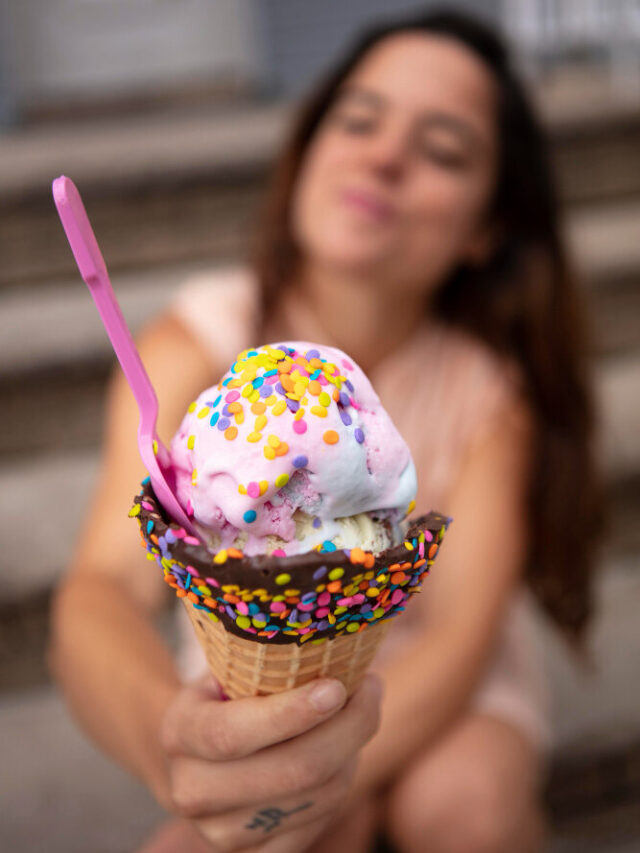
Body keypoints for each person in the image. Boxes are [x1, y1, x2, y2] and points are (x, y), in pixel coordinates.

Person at [48, 8, 602, 853]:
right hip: (250, 680)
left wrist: (340, 771)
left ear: (488, 225)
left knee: (466, 803)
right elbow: (97, 598)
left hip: (442, 684)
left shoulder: (488, 393)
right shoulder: (191, 346)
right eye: (358, 118)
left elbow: (457, 637)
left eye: (443, 150)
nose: (384, 156)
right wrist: (177, 745)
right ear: (307, 146)